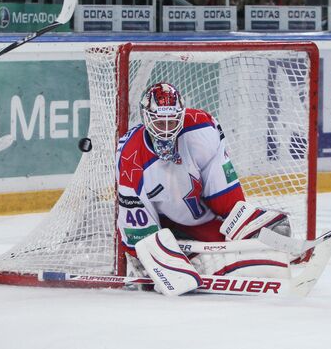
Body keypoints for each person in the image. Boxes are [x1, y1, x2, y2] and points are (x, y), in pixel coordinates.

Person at [116, 82, 291, 296]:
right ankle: (192, 262)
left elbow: (224, 195)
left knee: (254, 242)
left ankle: (269, 250)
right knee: (161, 259)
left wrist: (242, 221)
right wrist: (148, 256)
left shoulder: (201, 128)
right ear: (146, 118)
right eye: (159, 122)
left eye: (172, 121)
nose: (167, 128)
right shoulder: (130, 156)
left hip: (198, 217)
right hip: (159, 223)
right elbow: (136, 228)